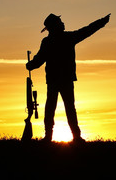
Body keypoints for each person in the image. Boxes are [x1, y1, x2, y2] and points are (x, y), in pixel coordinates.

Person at [26, 13, 110, 143]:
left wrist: (30, 65)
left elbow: (38, 60)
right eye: (60, 22)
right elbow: (87, 31)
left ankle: (50, 137)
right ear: (55, 26)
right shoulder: (67, 38)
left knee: (52, 109)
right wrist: (102, 22)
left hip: (55, 80)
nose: (63, 23)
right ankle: (75, 137)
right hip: (64, 79)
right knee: (67, 108)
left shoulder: (48, 42)